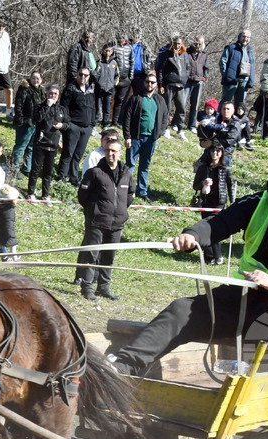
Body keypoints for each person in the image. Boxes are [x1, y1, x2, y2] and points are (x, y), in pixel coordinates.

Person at [109, 150, 268, 375]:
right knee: (182, 310)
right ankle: (122, 367)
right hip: (248, 296)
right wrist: (193, 235)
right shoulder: (259, 202)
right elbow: (221, 222)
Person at [76, 138, 133, 300]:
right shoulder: (94, 173)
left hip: (117, 224)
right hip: (97, 221)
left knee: (109, 256)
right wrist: (94, 211)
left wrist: (119, 211)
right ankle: (87, 287)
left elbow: (130, 195)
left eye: (114, 151)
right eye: (108, 150)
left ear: (120, 153)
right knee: (91, 255)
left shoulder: (126, 173)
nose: (110, 154)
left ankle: (104, 287)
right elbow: (83, 196)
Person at [120, 71, 169, 201]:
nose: (149, 84)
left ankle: (142, 191)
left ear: (156, 84)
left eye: (152, 82)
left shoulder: (160, 100)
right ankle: (125, 189)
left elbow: (165, 117)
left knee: (144, 166)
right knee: (130, 164)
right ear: (144, 83)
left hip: (151, 138)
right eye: (147, 82)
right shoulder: (136, 97)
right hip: (135, 137)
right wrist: (127, 136)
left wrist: (160, 132)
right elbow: (127, 117)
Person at [192, 144, 235, 264]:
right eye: (212, 150)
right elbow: (195, 186)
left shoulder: (226, 169)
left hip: (219, 203)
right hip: (205, 202)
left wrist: (232, 201)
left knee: (215, 228)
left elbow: (230, 186)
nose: (214, 153)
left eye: (217, 151)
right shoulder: (203, 168)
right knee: (206, 228)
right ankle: (209, 257)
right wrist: (203, 183)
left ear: (221, 153)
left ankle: (218, 256)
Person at [57, 66, 97, 185]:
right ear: (77, 75)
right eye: (81, 74)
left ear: (89, 77)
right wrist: (68, 123)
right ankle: (61, 176)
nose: (83, 77)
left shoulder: (91, 91)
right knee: (68, 153)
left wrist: (92, 124)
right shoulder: (70, 89)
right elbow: (64, 107)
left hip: (86, 128)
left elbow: (94, 109)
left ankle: (73, 177)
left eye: (85, 75)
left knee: (78, 154)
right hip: (73, 126)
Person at [28, 84, 68, 202]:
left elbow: (68, 124)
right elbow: (36, 119)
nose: (52, 96)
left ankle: (45, 195)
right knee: (35, 170)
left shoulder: (62, 109)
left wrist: (63, 125)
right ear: (47, 94)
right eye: (51, 93)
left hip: (54, 145)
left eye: (55, 94)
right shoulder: (39, 107)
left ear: (58, 95)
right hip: (40, 143)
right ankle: (31, 193)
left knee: (48, 172)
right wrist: (47, 106)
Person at [157, 34, 189, 140]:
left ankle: (180, 130)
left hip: (181, 86)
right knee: (167, 107)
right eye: (176, 43)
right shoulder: (166, 54)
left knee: (181, 108)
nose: (178, 46)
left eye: (179, 44)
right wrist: (160, 84)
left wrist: (185, 79)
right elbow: (160, 70)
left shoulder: (184, 54)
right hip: (169, 84)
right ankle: (165, 128)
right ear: (172, 43)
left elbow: (187, 68)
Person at [11, 71, 43, 176]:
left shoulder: (41, 91)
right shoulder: (24, 89)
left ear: (41, 80)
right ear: (30, 78)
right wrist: (20, 120)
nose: (35, 80)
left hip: (36, 123)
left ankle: (27, 168)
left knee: (31, 147)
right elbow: (18, 105)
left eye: (37, 78)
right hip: (25, 123)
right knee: (21, 146)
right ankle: (14, 168)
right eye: (33, 78)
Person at [219, 29, 254, 107]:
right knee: (225, 103)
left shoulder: (250, 50)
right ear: (239, 36)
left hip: (244, 82)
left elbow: (252, 66)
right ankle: (220, 118)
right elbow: (222, 62)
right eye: (243, 36)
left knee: (240, 106)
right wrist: (226, 75)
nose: (245, 39)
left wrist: (251, 81)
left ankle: (236, 119)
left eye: (248, 37)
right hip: (231, 80)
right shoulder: (231, 48)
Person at [185, 36, 209, 130]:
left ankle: (191, 125)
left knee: (195, 105)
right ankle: (178, 123)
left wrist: (204, 78)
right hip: (187, 81)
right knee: (182, 103)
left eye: (200, 44)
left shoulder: (204, 55)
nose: (198, 45)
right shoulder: (187, 53)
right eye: (196, 43)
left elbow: (206, 68)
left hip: (199, 82)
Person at [94, 45, 118, 129]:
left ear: (112, 52)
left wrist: (113, 84)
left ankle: (105, 124)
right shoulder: (99, 62)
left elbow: (117, 76)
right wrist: (98, 83)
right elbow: (95, 74)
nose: (107, 52)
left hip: (110, 89)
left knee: (107, 107)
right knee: (97, 106)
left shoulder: (114, 63)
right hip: (100, 89)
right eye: (106, 51)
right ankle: (94, 124)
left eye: (109, 51)